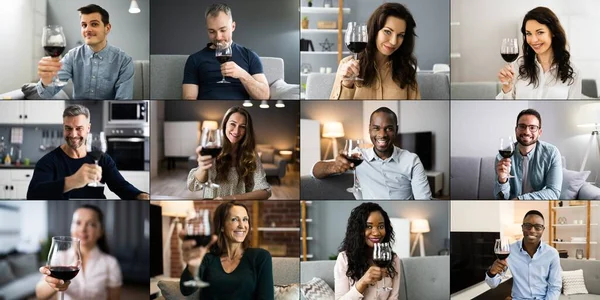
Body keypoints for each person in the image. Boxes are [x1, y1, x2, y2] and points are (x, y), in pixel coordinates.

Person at [27, 104, 149, 200]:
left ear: (88, 129)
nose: (73, 135)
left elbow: (121, 187)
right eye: (68, 128)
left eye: (79, 128)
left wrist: (140, 196)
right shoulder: (48, 162)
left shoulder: (103, 159)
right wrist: (73, 181)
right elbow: (33, 195)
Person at [312, 107, 431, 200]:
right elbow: (315, 170)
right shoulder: (357, 156)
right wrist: (334, 167)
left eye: (388, 128)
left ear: (396, 130)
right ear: (369, 130)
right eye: (376, 128)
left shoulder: (411, 160)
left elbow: (424, 199)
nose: (382, 134)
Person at [179, 201, 274, 300]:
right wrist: (192, 267)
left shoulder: (260, 257)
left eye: (245, 219)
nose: (242, 225)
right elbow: (186, 290)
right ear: (222, 226)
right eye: (234, 219)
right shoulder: (207, 258)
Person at [36, 4, 134, 100]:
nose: (87, 29)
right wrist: (45, 81)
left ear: (107, 28)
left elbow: (123, 102)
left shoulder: (124, 61)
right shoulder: (72, 56)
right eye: (84, 25)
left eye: (94, 24)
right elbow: (46, 94)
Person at [330, 3, 420, 100]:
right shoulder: (347, 65)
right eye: (387, 31)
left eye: (400, 35)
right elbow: (334, 111)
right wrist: (347, 85)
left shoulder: (407, 71)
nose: (394, 42)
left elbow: (415, 110)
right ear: (374, 30)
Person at [182, 3, 270, 100]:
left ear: (233, 26)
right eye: (212, 31)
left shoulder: (249, 56)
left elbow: (264, 96)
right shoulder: (195, 59)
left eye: (223, 30)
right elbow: (189, 98)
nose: (218, 37)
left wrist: (242, 74)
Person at [36, 204, 122, 300]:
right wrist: (54, 284)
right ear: (71, 227)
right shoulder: (58, 257)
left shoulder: (110, 263)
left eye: (91, 224)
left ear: (100, 231)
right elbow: (40, 295)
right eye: (78, 223)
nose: (83, 229)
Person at [496, 6, 581, 99]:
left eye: (540, 32)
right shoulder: (517, 66)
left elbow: (574, 109)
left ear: (553, 32)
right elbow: (507, 107)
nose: (533, 40)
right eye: (528, 33)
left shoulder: (573, 72)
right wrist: (507, 87)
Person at [187, 106, 271, 200]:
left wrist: (231, 198)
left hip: (239, 205)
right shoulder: (213, 148)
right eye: (233, 124)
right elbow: (193, 186)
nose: (236, 131)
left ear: (247, 131)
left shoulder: (251, 154)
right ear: (225, 124)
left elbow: (265, 192)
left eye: (242, 127)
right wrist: (202, 168)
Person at [485, 210, 561, 299]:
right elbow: (492, 285)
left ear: (543, 229)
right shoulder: (509, 251)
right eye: (528, 226)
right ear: (522, 227)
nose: (532, 230)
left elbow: (555, 287)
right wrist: (492, 272)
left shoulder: (552, 254)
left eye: (538, 227)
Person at [334, 202, 400, 299]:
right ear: (358, 230)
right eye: (368, 226)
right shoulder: (344, 259)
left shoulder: (393, 259)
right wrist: (363, 282)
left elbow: (394, 297)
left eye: (381, 226)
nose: (376, 233)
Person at [494, 108, 562, 200]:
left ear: (539, 132)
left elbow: (554, 192)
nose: (526, 132)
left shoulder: (552, 153)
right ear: (516, 130)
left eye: (532, 128)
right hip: (511, 208)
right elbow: (500, 199)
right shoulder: (501, 157)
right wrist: (502, 181)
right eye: (522, 126)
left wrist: (520, 199)